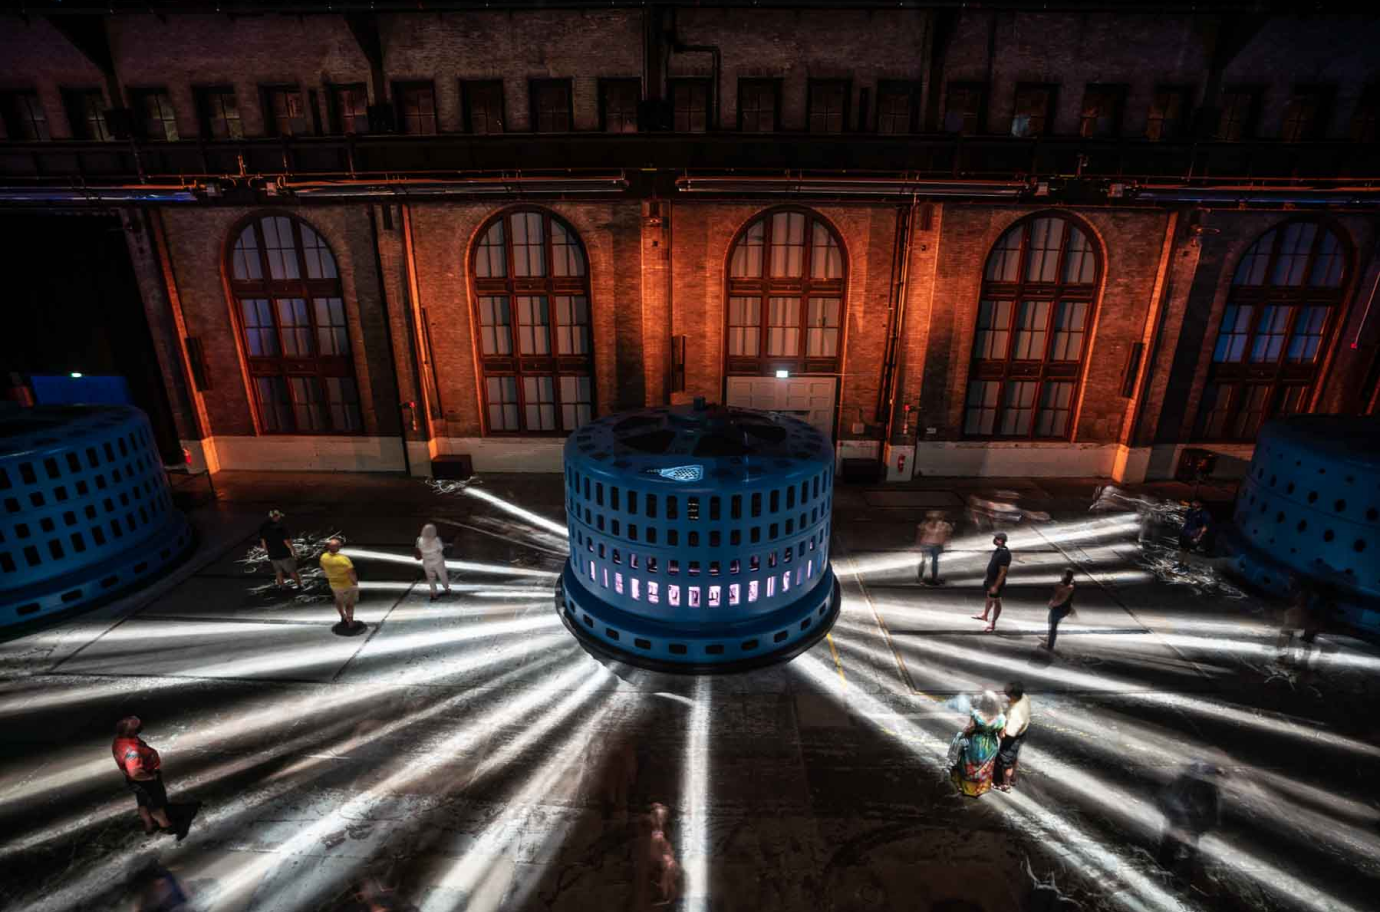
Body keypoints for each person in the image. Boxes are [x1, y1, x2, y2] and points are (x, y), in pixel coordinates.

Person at [1156, 762, 1222, 884]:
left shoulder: (1186, 783)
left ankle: (1169, 881)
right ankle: (1169, 881)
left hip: (1181, 827)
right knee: (1174, 857)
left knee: (1171, 857)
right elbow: (1212, 817)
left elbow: (1162, 800)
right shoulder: (1206, 789)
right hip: (1182, 828)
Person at [112, 717, 174, 836]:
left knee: (143, 803)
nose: (141, 727)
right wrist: (151, 777)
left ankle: (149, 825)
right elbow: (135, 773)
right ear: (131, 732)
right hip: (145, 779)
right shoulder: (132, 751)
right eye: (137, 727)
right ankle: (166, 826)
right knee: (155, 806)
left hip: (134, 782)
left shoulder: (119, 740)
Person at [949, 690, 1006, 797]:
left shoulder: (976, 714)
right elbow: (1001, 735)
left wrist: (963, 733)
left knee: (969, 765)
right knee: (986, 767)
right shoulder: (1001, 718)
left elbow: (970, 729)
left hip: (975, 743)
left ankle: (968, 788)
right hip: (990, 746)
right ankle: (981, 788)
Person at [993, 681, 1031, 792]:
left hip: (1012, 738)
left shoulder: (1015, 713)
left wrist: (997, 729)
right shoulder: (1024, 697)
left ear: (1013, 695)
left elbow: (1008, 733)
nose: (1005, 693)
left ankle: (1005, 784)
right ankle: (1013, 778)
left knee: (1006, 761)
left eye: (1007, 692)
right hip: (1022, 732)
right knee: (1014, 757)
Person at [972, 532, 1011, 632]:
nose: (994, 540)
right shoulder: (999, 550)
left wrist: (996, 586)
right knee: (989, 598)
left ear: (1000, 541)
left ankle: (993, 623)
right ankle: (985, 615)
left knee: (997, 601)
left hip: (995, 582)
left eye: (996, 538)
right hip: (990, 580)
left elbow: (1003, 572)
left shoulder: (1005, 554)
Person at [320, 538, 361, 631]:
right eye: (339, 545)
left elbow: (322, 567)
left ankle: (343, 616)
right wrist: (355, 584)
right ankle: (351, 623)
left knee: (338, 601)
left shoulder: (323, 556)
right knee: (349, 604)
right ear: (338, 547)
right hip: (347, 584)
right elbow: (351, 573)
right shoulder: (343, 559)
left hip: (334, 585)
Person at [259, 509, 302, 589]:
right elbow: (286, 541)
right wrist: (294, 551)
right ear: (276, 517)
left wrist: (267, 551)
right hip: (284, 553)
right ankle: (299, 585)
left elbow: (263, 541)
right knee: (292, 571)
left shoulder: (263, 527)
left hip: (272, 554)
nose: (279, 518)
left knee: (278, 572)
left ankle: (282, 587)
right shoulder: (281, 527)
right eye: (279, 516)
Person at [1040, 569, 1077, 651]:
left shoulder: (1062, 586)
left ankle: (1050, 646)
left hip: (1058, 609)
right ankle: (1048, 637)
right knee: (1051, 620)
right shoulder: (1072, 584)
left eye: (1063, 574)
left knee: (1053, 627)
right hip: (1065, 608)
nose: (1061, 576)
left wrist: (1052, 604)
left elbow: (1059, 599)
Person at [413, 523, 451, 601]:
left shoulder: (419, 540)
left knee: (431, 578)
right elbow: (441, 548)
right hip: (438, 561)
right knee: (442, 575)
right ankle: (446, 588)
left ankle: (434, 593)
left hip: (427, 562)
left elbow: (418, 549)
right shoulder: (436, 540)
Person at [915, 511, 955, 585]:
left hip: (936, 545)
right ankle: (920, 578)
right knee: (924, 561)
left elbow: (947, 535)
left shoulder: (945, 525)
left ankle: (934, 578)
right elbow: (919, 534)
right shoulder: (925, 524)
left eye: (936, 517)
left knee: (934, 563)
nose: (934, 519)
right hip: (926, 545)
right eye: (933, 517)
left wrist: (946, 545)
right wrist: (918, 545)